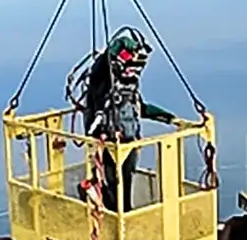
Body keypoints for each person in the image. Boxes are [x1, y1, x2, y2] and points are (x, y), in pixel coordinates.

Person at [71, 28, 176, 211]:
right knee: (113, 183)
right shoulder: (102, 84)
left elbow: (139, 108)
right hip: (109, 143)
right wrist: (119, 45)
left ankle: (121, 210)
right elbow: (101, 66)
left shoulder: (127, 88)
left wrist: (168, 117)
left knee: (126, 183)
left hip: (129, 143)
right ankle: (104, 202)